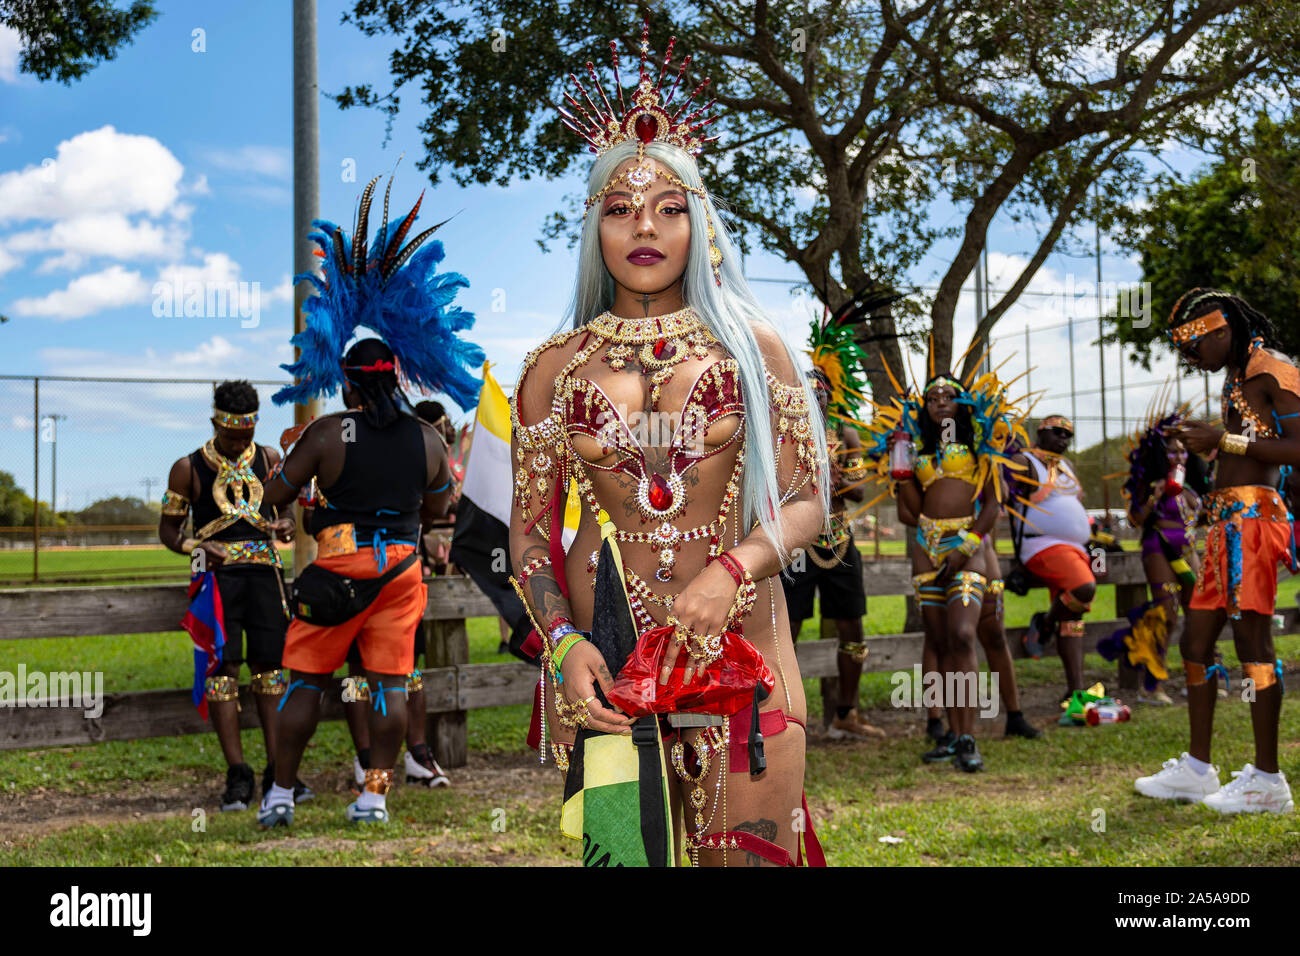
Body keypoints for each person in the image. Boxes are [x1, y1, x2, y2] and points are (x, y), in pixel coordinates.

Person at [509, 20, 829, 866]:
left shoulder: (753, 350)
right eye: (619, 209)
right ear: (595, 229)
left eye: (667, 208)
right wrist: (564, 644)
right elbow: (530, 536)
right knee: (627, 861)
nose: (642, 225)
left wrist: (733, 571)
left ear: (699, 226)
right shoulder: (552, 369)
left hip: (743, 655)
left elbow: (806, 502)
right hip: (609, 667)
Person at [255, 176, 483, 827]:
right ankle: (375, 795)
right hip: (401, 575)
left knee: (305, 683)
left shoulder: (329, 433)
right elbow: (443, 509)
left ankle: (281, 793)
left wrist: (292, 479)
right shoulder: (426, 440)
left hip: (337, 568)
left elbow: (276, 497)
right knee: (388, 687)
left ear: (348, 380)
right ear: (399, 377)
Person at [1135, 289, 1299, 814]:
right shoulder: (1234, 378)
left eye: (1195, 346)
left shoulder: (1274, 371)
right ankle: (1198, 771)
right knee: (1195, 639)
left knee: (1253, 646)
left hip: (1255, 522)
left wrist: (1221, 442)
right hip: (1224, 524)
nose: (1191, 359)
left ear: (1222, 329)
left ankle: (1268, 781)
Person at [159, 380, 309, 811]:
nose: (240, 441)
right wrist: (196, 547)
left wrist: (284, 526)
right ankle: (237, 776)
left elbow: (286, 513)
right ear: (215, 423)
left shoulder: (270, 459)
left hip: (265, 578)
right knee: (222, 673)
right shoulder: (187, 468)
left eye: (246, 433)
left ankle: (279, 772)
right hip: (216, 583)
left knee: (271, 671)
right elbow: (168, 532)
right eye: (232, 435)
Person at [893, 373, 1017, 771]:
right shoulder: (918, 449)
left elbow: (995, 504)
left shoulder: (982, 444)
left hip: (968, 544)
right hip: (926, 550)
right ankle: (949, 733)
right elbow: (910, 510)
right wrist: (899, 467)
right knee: (942, 641)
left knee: (965, 635)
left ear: (963, 403)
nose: (940, 401)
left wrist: (966, 547)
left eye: (949, 395)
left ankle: (968, 737)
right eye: (932, 397)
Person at [782, 369, 884, 739]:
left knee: (852, 629)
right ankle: (785, 714)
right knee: (787, 632)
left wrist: (835, 478)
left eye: (823, 390)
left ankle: (846, 712)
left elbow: (859, 492)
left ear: (831, 395)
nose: (817, 395)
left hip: (839, 540)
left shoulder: (847, 435)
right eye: (809, 389)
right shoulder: (785, 431)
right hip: (797, 542)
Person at [1118, 407, 1208, 704]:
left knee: (1198, 613)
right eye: (1172, 452)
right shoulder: (1152, 485)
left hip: (1189, 551)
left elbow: (1204, 518)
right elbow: (1135, 520)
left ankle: (1196, 678)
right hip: (1158, 549)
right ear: (1160, 456)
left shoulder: (1192, 488)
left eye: (1183, 452)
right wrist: (1154, 495)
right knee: (1166, 614)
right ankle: (1152, 685)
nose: (1179, 457)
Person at [1009, 416, 1096, 709]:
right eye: (1056, 433)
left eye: (1068, 435)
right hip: (1040, 544)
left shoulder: (1066, 466)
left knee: (1073, 616)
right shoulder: (1025, 461)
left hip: (1074, 548)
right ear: (1040, 434)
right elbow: (1006, 495)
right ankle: (1044, 624)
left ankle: (1075, 692)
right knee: (1083, 588)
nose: (1063, 439)